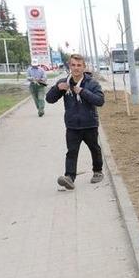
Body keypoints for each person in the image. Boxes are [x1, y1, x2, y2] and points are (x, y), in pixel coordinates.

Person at [45, 54, 105, 190]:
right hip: (72, 125)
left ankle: (97, 171)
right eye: (73, 65)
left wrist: (82, 91)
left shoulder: (92, 83)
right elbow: (49, 99)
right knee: (71, 152)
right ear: (69, 66)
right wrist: (57, 89)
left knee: (94, 149)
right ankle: (69, 178)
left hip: (89, 124)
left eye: (79, 65)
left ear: (84, 67)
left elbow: (100, 101)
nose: (76, 68)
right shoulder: (64, 82)